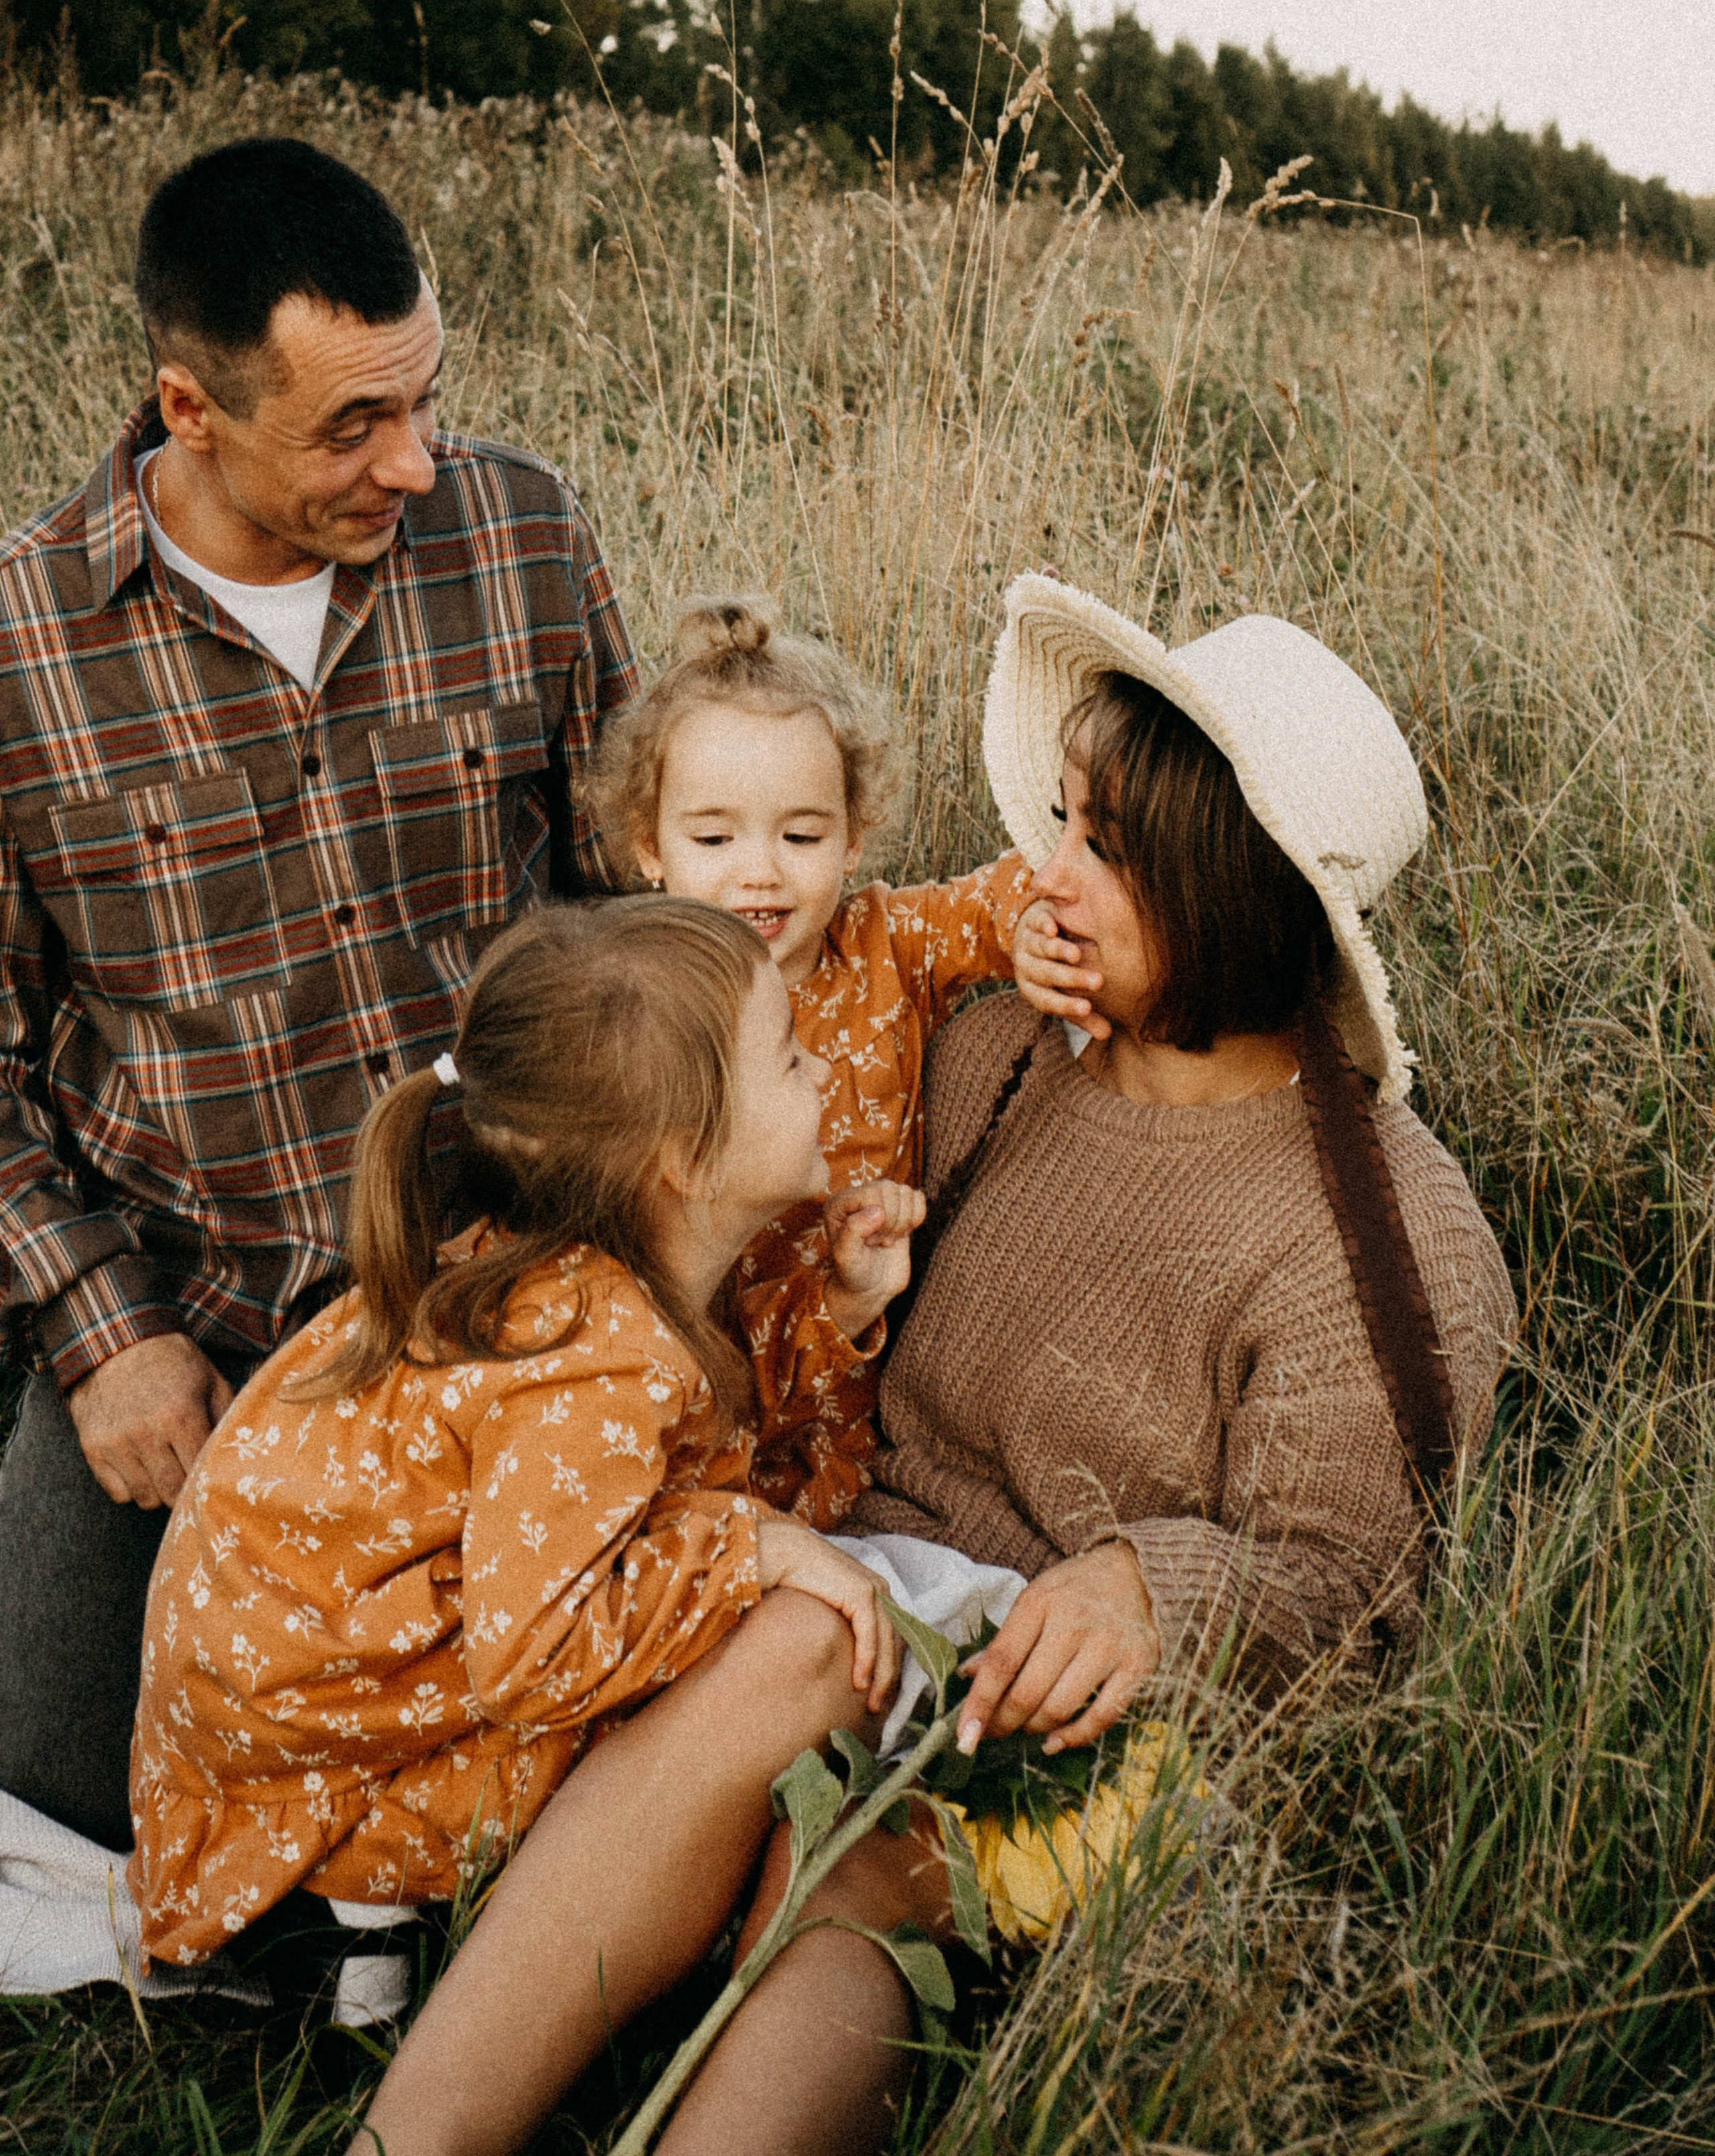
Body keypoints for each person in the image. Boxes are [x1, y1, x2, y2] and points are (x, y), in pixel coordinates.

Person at [360, 573, 1516, 2156]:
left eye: (1100, 848)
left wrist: (1145, 1583)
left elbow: (1356, 1578)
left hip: (1064, 1703)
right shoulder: (992, 1057)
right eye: (1060, 820)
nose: (1042, 876)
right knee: (774, 1659)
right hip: (851, 1584)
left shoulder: (1381, 1228)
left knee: (851, 1828)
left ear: (1222, 889)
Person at [0, 135, 636, 1850]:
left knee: (559, 1780)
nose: (414, 465)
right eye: (349, 428)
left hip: (509, 1282)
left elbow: (631, 911)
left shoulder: (522, 536)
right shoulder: (23, 648)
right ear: (187, 414)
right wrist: (102, 1339)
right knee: (57, 1795)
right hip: (197, 1313)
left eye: (422, 400)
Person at [131, 896, 910, 2044]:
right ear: (687, 1161)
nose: (823, 1074)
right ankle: (341, 1930)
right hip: (307, 1782)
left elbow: (699, 1462)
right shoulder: (588, 1366)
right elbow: (541, 1652)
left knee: (698, 1633)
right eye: (790, 1059)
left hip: (291, 1709)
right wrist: (750, 1548)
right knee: (666, 1728)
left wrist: (840, 1312)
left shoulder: (589, 1288)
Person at [586, 595, 1073, 1524]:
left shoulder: (886, 944)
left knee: (840, 1522)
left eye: (801, 836)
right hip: (704, 1371)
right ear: (651, 848)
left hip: (860, 1372)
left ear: (854, 839)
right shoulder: (641, 995)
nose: (760, 872)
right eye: (714, 837)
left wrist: (1031, 927)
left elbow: (992, 900)